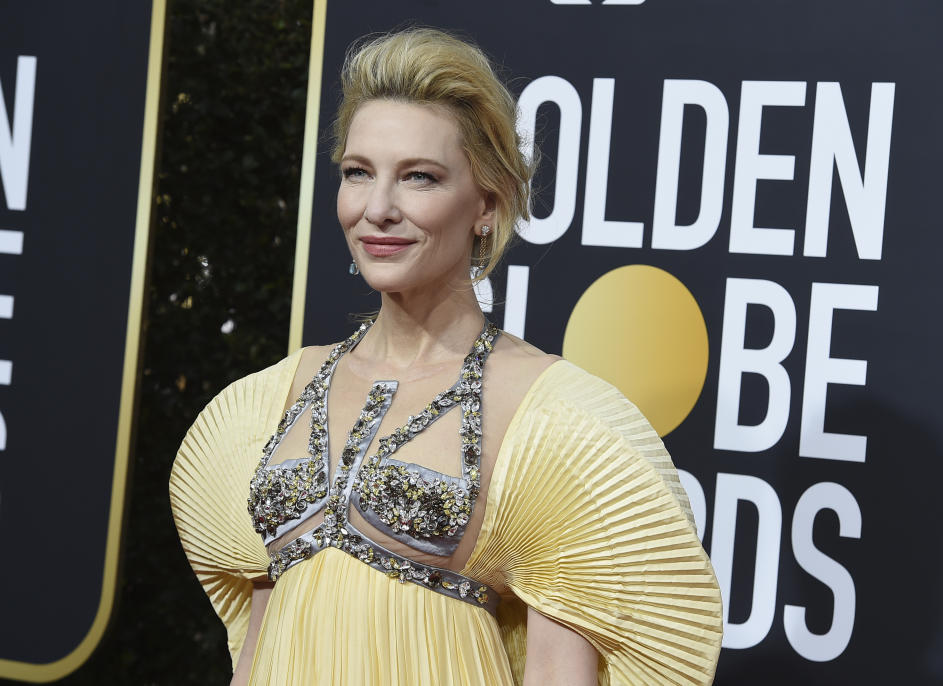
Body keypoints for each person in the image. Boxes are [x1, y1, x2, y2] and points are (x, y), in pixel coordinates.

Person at [170, 27, 722, 685]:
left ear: (485, 205)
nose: (377, 209)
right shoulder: (274, 395)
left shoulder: (547, 416)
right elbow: (258, 649)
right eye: (357, 173)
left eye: (419, 178)